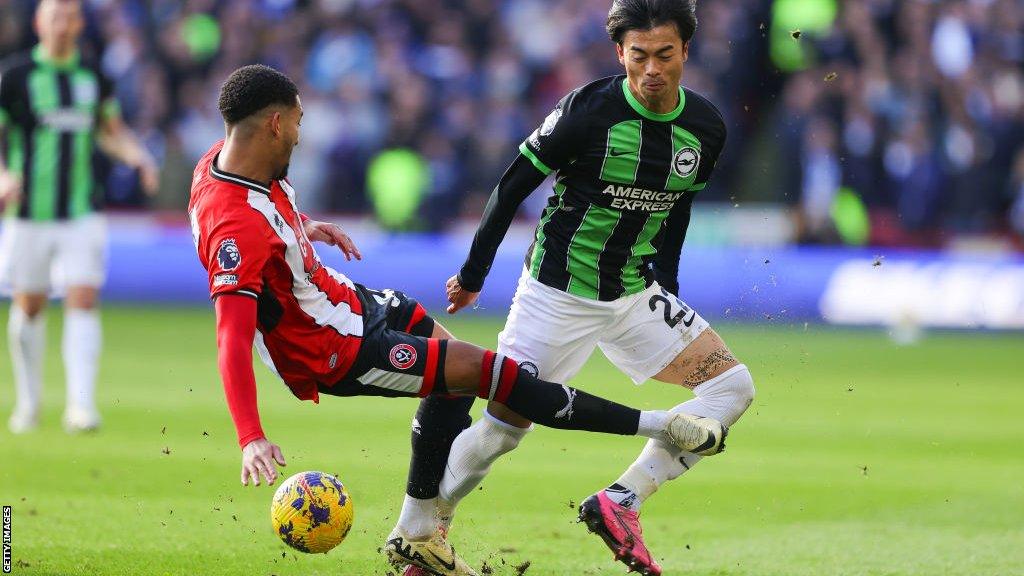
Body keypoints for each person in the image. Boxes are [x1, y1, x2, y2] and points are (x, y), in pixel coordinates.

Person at [189, 63, 727, 576]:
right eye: (299, 123)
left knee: (455, 380)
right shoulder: (234, 228)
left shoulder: (227, 160)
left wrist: (303, 228)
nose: (302, 136)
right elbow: (231, 338)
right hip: (332, 349)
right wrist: (251, 437)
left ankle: (419, 531)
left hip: (350, 303)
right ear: (276, 123)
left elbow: (263, 221)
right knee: (489, 373)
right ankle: (658, 423)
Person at [416, 1, 757, 574]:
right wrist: (473, 275)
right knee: (501, 433)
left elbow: (675, 212)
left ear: (685, 53)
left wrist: (667, 287)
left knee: (732, 390)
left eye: (664, 55)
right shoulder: (587, 111)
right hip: (555, 296)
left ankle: (621, 500)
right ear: (620, 54)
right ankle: (426, 530)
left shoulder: (705, 127)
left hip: (630, 296)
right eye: (639, 56)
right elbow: (511, 186)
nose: (652, 69)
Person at [0, 0, 158, 434]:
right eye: (55, 17)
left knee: (83, 298)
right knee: (29, 305)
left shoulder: (93, 77)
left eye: (69, 17)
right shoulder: (15, 77)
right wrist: (3, 177)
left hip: (82, 210)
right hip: (28, 213)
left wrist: (138, 157)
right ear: (39, 23)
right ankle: (29, 403)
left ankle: (81, 407)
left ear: (78, 23)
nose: (62, 25)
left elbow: (109, 132)